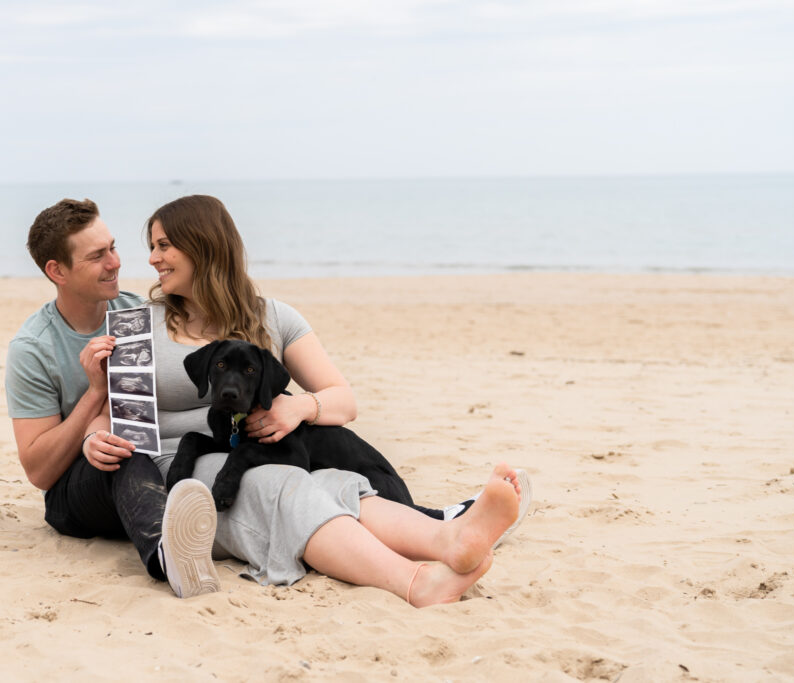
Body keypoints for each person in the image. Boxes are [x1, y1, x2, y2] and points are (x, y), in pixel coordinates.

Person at [81, 195, 531, 606]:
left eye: (163, 245)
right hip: (180, 464)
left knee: (334, 480)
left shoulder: (273, 317)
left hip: (259, 453)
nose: (153, 258)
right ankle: (414, 582)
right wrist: (92, 437)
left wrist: (299, 407)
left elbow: (343, 399)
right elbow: (115, 414)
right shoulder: (137, 326)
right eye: (153, 246)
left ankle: (448, 538)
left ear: (203, 246)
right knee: (283, 484)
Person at [5, 198, 220, 598]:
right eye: (97, 256)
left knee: (149, 448)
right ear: (57, 271)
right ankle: (164, 558)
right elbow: (38, 471)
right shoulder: (33, 347)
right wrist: (95, 393)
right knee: (126, 451)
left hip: (153, 469)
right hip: (77, 493)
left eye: (114, 247)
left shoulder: (138, 313)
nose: (115, 262)